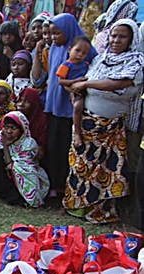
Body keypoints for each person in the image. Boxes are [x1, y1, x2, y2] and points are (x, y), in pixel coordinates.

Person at [64, 19, 144, 224]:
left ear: (132, 39)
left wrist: (87, 83)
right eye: (113, 35)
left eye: (122, 36)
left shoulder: (135, 63)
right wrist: (78, 91)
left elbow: (117, 83)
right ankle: (77, 207)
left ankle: (99, 211)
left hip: (111, 127)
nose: (116, 40)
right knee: (81, 165)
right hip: (87, 122)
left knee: (104, 171)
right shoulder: (101, 59)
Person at [44, 13, 95, 198]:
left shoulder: (83, 50)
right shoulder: (55, 49)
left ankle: (66, 189)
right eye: (52, 34)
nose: (54, 37)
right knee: (54, 146)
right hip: (54, 106)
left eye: (58, 33)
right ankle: (53, 187)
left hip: (71, 109)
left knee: (67, 147)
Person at [0, 111, 49, 206]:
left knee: (14, 197)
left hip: (20, 181)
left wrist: (6, 147)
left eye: (13, 128)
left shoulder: (28, 144)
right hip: (2, 177)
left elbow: (23, 168)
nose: (9, 132)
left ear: (21, 129)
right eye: (6, 127)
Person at [56, 36, 92, 132]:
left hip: (88, 91)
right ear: (69, 49)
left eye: (84, 53)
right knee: (77, 107)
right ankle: (77, 130)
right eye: (77, 50)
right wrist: (75, 81)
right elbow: (60, 81)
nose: (79, 55)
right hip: (76, 92)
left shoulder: (86, 65)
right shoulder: (65, 65)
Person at [16, 87, 47, 161]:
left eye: (26, 101)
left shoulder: (41, 120)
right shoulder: (14, 117)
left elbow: (41, 146)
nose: (21, 104)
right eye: (20, 100)